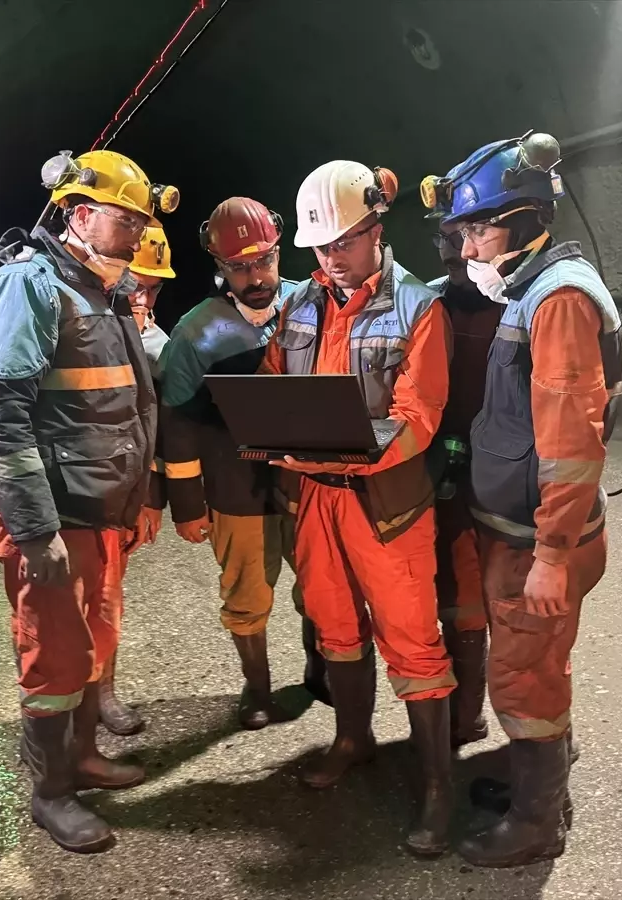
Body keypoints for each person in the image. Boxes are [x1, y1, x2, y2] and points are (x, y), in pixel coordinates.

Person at [0, 149, 176, 854]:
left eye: (141, 222)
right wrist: (33, 530)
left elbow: (128, 407)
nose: (139, 234)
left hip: (92, 506)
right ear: (79, 215)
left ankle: (81, 758)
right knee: (52, 651)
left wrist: (137, 496)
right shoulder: (27, 288)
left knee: (89, 639)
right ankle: (50, 794)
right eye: (125, 219)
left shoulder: (100, 291)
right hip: (50, 511)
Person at [422, 134, 622, 867]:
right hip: (518, 529)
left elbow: (571, 444)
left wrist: (552, 555)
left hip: (537, 539)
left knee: (524, 674)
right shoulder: (530, 288)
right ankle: (537, 783)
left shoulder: (558, 299)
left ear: (525, 219)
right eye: (463, 232)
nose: (467, 247)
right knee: (535, 664)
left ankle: (538, 824)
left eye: (478, 229)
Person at [261, 160, 457, 856]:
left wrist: (339, 456)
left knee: (413, 639)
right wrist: (270, 433)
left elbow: (418, 416)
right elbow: (275, 381)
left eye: (343, 241)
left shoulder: (418, 308)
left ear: (377, 228)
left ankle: (438, 786)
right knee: (334, 625)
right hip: (316, 501)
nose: (331, 257)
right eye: (319, 247)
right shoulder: (297, 306)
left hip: (386, 504)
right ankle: (353, 738)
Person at [156, 197, 323, 729]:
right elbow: (178, 422)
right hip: (236, 487)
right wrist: (187, 506)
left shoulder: (309, 303)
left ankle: (321, 670)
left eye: (264, 261)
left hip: (305, 481)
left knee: (320, 583)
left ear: (279, 252)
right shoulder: (197, 332)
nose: (256, 277)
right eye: (239, 267)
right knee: (247, 592)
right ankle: (257, 690)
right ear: (220, 266)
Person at [426, 209, 504, 750]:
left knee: (517, 604)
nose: (457, 249)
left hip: (506, 475)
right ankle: (465, 715)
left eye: (467, 235)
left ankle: (539, 735)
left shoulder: (520, 301)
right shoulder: (428, 303)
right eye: (446, 237)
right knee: (458, 594)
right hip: (446, 471)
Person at [95, 225, 177, 738]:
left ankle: (101, 693)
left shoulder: (157, 346)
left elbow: (157, 428)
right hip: (68, 487)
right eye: (136, 286)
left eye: (153, 288)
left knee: (107, 597)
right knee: (56, 606)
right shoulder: (78, 323)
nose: (144, 299)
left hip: (117, 493)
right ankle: (57, 716)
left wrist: (151, 496)